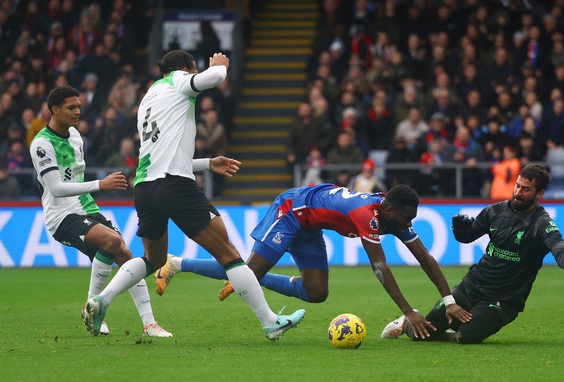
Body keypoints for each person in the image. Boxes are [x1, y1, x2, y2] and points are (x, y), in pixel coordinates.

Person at [82, 50, 305, 341]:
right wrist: (220, 66)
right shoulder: (178, 80)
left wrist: (208, 163)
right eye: (193, 70)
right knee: (229, 254)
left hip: (145, 187)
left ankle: (101, 300)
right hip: (174, 185)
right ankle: (270, 322)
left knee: (153, 257)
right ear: (186, 68)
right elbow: (214, 78)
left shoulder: (149, 97)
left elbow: (164, 153)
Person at [154, 183, 472, 340]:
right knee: (246, 272)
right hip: (292, 210)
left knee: (316, 292)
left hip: (311, 225)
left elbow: (425, 258)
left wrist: (448, 300)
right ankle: (177, 264)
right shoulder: (369, 217)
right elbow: (380, 268)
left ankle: (251, 278)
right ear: (390, 212)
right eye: (406, 218)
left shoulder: (393, 217)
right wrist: (408, 311)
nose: (408, 224)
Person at [381, 164, 564, 344]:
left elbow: (559, 248)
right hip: (469, 287)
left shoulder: (541, 223)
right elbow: (467, 237)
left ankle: (455, 331)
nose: (518, 192)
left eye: (526, 189)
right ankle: (406, 322)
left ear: (539, 194)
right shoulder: (495, 211)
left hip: (503, 299)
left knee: (467, 336)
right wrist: (460, 229)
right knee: (422, 335)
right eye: (517, 186)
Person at [28, 85, 172, 337]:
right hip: (62, 216)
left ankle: (149, 324)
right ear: (55, 109)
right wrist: (101, 184)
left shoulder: (75, 136)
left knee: (126, 255)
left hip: (86, 208)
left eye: (79, 107)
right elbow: (55, 188)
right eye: (71, 107)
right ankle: (94, 305)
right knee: (112, 240)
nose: (77, 112)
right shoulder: (41, 144)